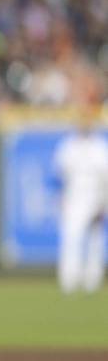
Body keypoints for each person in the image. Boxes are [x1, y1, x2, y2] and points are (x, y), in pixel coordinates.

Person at [53, 103, 108, 295]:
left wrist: (104, 204)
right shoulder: (68, 146)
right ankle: (69, 281)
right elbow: (59, 177)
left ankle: (92, 281)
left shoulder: (100, 147)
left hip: (95, 197)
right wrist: (60, 199)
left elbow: (105, 180)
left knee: (95, 241)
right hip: (74, 197)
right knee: (71, 238)